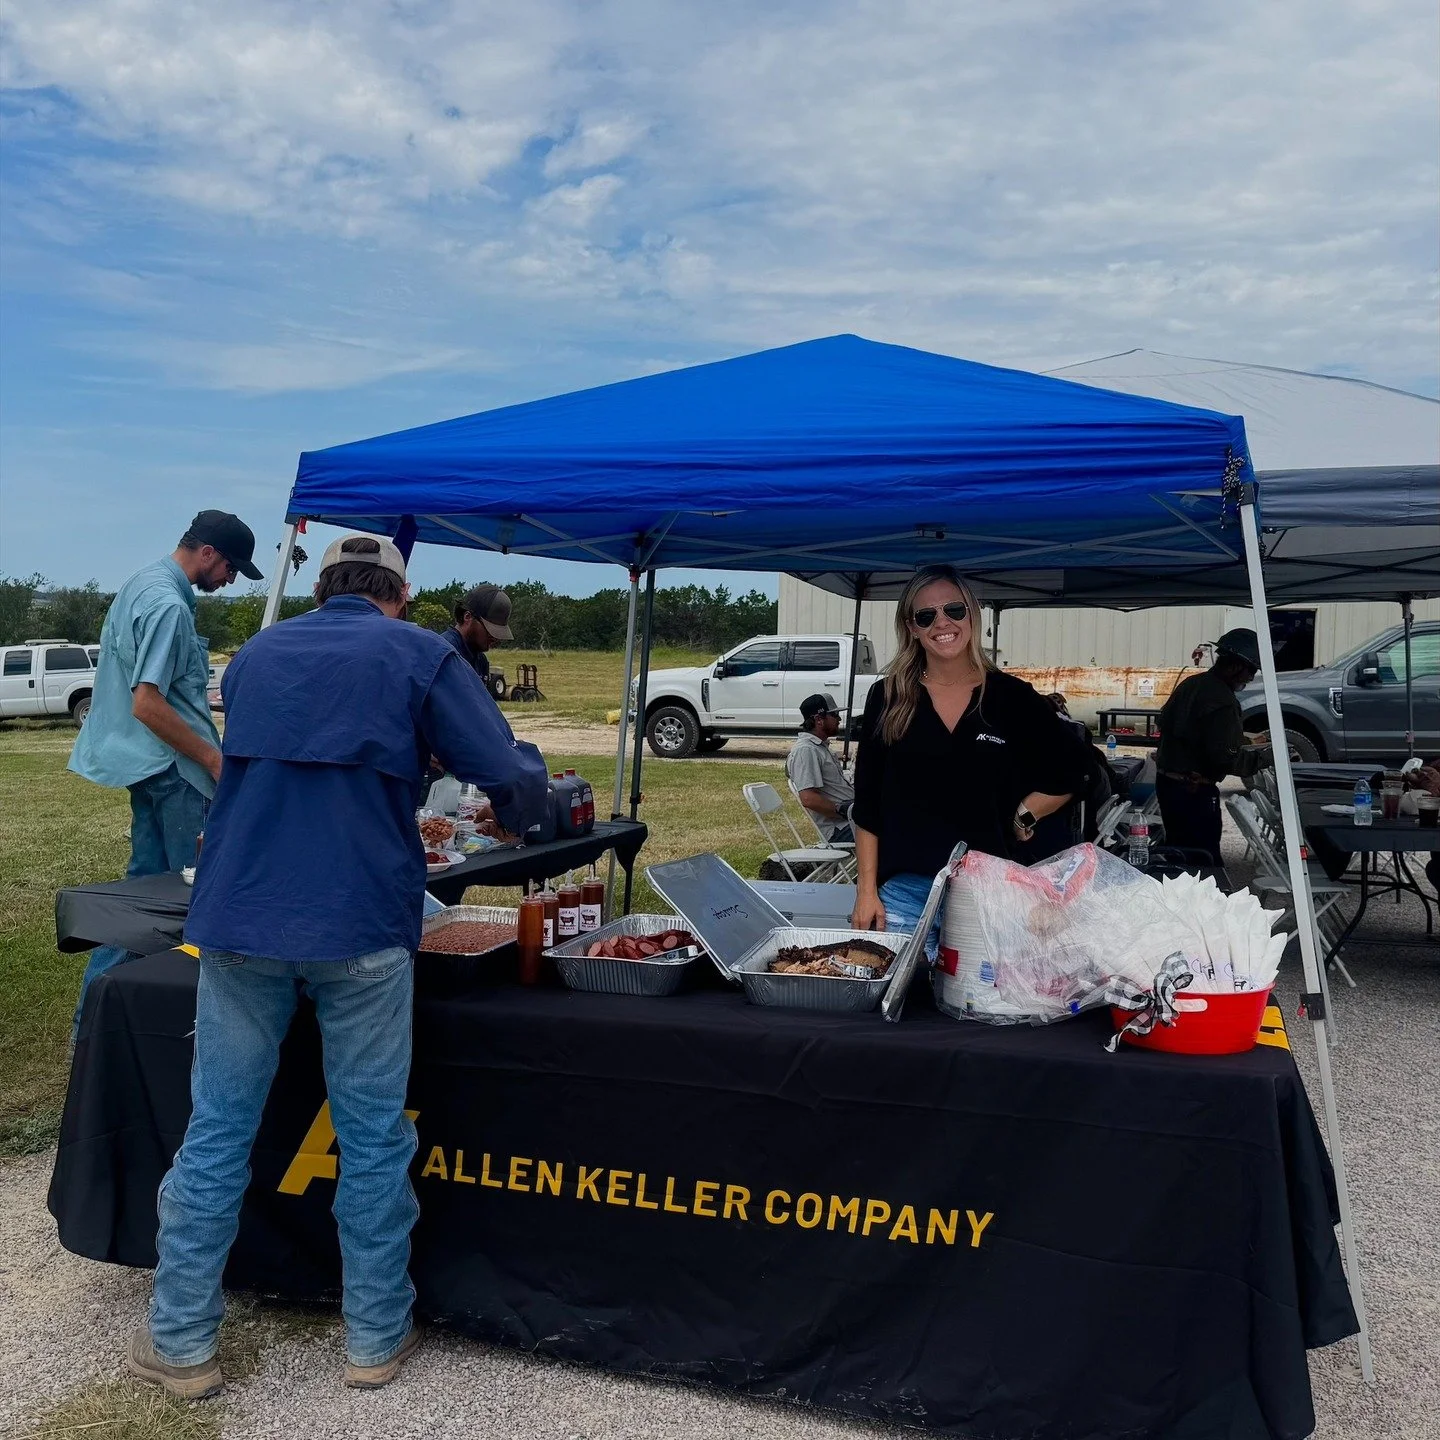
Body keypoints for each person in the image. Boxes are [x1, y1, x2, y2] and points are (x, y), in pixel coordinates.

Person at [127, 535, 548, 1401]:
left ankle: (179, 1344)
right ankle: (374, 1338)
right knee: (370, 1136)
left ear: (323, 589)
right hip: (357, 920)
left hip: (241, 915)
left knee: (215, 1131)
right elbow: (501, 765)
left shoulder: (259, 650)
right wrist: (523, 811)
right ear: (396, 595)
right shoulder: (420, 651)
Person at [68, 510, 262, 1035]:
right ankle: (187, 1026)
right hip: (174, 772)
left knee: (142, 904)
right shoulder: (169, 604)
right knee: (192, 903)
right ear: (207, 554)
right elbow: (147, 705)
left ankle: (94, 1025)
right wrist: (213, 758)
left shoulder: (140, 583)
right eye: (230, 569)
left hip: (147, 767)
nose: (229, 581)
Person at [849, 566, 1089, 937]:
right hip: (903, 897)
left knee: (979, 996)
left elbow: (1074, 769)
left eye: (954, 610)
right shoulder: (888, 697)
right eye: (926, 616)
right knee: (900, 996)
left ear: (972, 614)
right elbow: (866, 805)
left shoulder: (1012, 697)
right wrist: (866, 892)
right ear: (912, 628)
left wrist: (1024, 816)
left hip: (991, 892)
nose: (942, 623)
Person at [1154, 628, 1273, 866]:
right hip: (1193, 791)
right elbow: (1225, 758)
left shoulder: (1192, 684)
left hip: (1170, 785)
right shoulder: (1223, 701)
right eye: (1251, 671)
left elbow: (1168, 723)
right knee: (1203, 861)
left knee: (1179, 854)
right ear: (1236, 666)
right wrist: (1267, 758)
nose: (1250, 679)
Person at [786, 694, 856, 842]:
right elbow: (809, 799)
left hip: (852, 820)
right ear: (819, 719)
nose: (839, 719)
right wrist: (844, 810)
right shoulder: (806, 750)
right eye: (834, 715)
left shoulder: (820, 747)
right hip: (840, 828)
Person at [441, 583, 514, 684]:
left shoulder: (480, 660)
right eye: (490, 629)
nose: (495, 637)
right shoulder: (444, 654)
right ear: (468, 617)